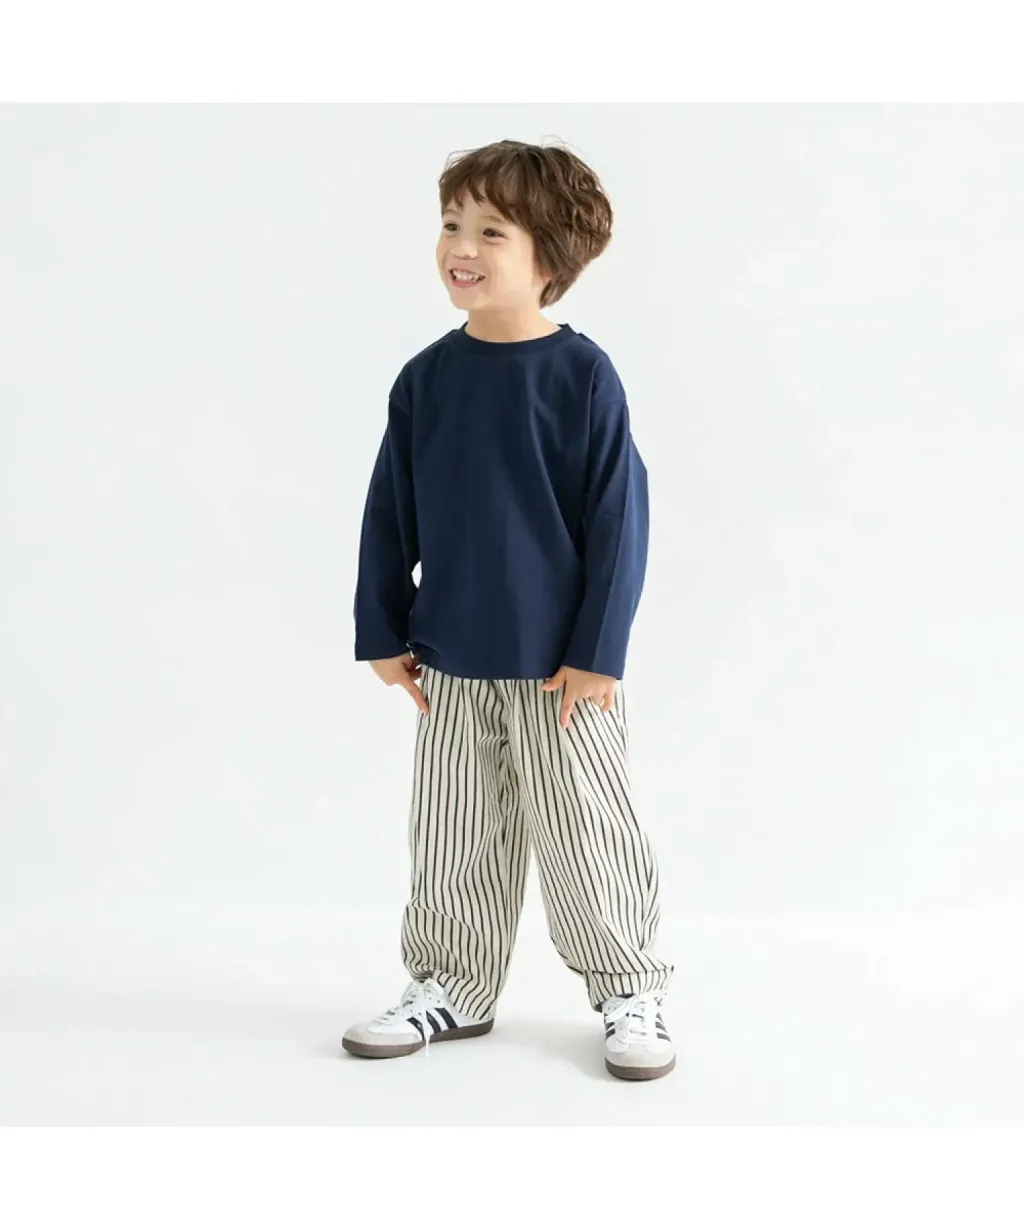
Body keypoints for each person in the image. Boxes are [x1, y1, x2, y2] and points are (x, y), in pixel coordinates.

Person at [343, 139, 675, 1081]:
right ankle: (451, 983)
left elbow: (619, 517)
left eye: (492, 230)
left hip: (564, 673)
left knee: (587, 833)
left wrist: (598, 651)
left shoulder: (582, 376)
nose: (462, 245)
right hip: (449, 660)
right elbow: (389, 508)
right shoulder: (426, 379)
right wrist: (383, 628)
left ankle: (628, 989)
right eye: (453, 223)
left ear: (549, 257)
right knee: (454, 837)